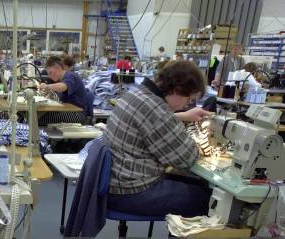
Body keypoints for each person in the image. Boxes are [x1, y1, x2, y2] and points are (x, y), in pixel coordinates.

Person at [105, 60, 213, 218]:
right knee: (208, 199)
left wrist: (180, 117)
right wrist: (201, 139)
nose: (188, 104)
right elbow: (186, 159)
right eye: (189, 98)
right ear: (177, 89)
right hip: (130, 192)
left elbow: (147, 122)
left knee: (196, 184)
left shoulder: (139, 93)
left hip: (116, 182)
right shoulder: (157, 110)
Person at [37, 56, 94, 124]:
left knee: (38, 118)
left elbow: (63, 86)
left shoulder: (71, 76)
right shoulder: (63, 79)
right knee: (38, 115)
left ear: (57, 68)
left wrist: (47, 86)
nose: (49, 76)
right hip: (70, 111)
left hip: (77, 114)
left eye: (50, 72)